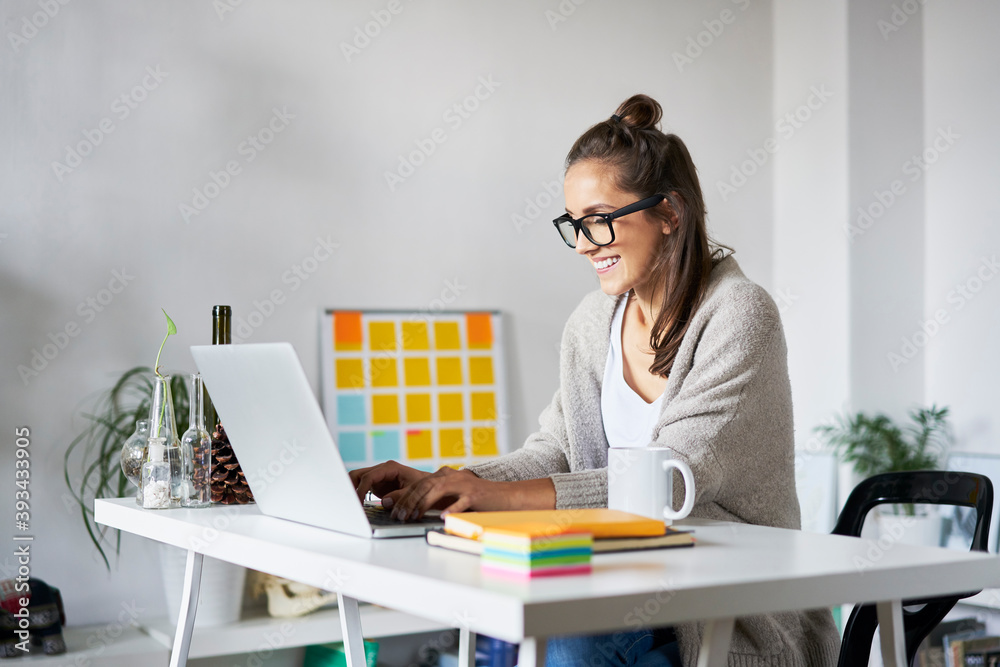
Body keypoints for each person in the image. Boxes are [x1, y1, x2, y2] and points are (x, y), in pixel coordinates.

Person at [350, 94, 841, 666]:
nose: (584, 245)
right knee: (517, 625)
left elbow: (666, 484)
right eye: (574, 225)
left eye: (600, 221)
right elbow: (556, 453)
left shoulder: (738, 314)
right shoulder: (591, 322)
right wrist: (447, 481)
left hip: (724, 618)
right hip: (617, 586)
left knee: (565, 638)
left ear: (670, 213)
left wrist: (498, 498)